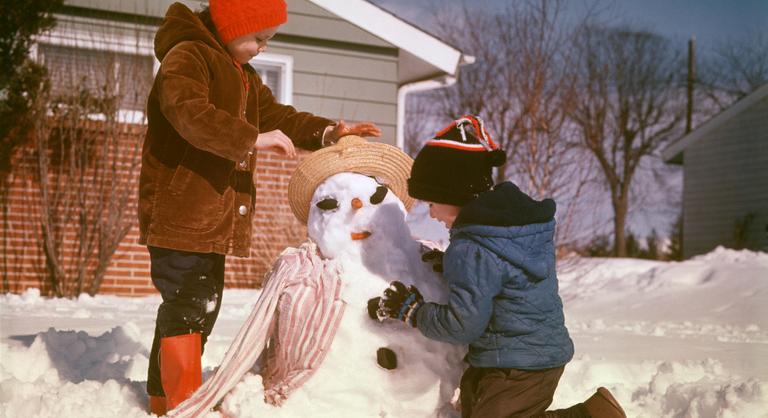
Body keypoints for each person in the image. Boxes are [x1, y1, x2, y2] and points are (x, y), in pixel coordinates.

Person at [138, 0, 380, 414]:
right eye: (258, 38)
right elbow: (188, 112)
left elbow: (279, 116)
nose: (263, 48)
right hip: (180, 211)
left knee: (201, 306)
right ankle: (179, 401)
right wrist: (250, 138)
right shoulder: (188, 56)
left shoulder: (243, 76)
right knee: (189, 304)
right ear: (232, 26)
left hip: (209, 218)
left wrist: (327, 131)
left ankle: (167, 398)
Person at [371, 116, 627, 418]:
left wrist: (412, 311)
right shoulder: (506, 229)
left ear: (453, 193)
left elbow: (462, 324)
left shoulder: (472, 247)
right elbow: (499, 273)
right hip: (519, 355)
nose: (432, 214)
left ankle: (593, 415)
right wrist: (448, 265)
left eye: (432, 202)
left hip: (519, 364)